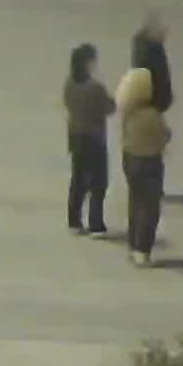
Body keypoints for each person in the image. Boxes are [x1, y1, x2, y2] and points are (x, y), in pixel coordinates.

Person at [115, 61, 169, 265]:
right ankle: (142, 250)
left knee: (135, 203)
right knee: (149, 208)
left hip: (130, 159)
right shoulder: (152, 115)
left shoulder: (128, 112)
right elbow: (163, 136)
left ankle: (133, 245)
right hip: (149, 163)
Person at [62, 43, 114, 236]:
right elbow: (109, 107)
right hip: (94, 138)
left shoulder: (70, 83)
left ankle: (74, 221)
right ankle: (95, 223)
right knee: (99, 182)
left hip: (75, 136)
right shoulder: (95, 88)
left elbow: (67, 103)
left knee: (78, 180)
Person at [133, 13, 175, 114]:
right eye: (162, 29)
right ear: (152, 31)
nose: (166, 32)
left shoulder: (151, 46)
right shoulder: (149, 53)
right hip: (151, 108)